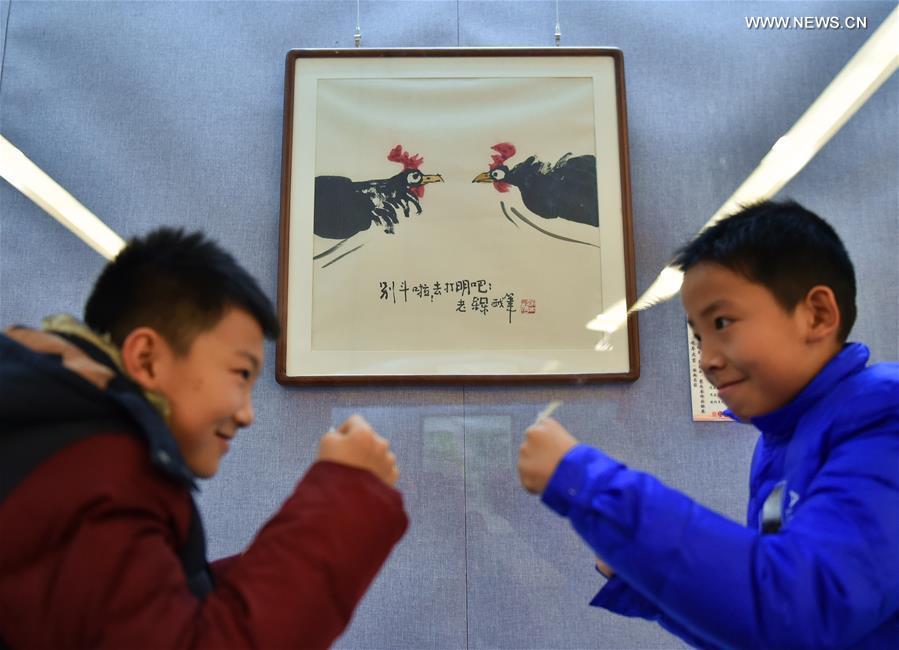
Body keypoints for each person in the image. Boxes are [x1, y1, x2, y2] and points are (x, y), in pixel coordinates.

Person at [0, 228, 408, 649]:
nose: (247, 414)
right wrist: (346, 496)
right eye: (241, 374)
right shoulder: (94, 477)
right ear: (146, 358)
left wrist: (271, 564)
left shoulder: (59, 439)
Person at [518, 200, 899, 648]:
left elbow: (798, 612)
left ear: (816, 314)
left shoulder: (883, 415)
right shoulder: (784, 439)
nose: (707, 359)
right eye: (699, 335)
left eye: (722, 323)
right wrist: (637, 569)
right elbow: (760, 631)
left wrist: (586, 483)